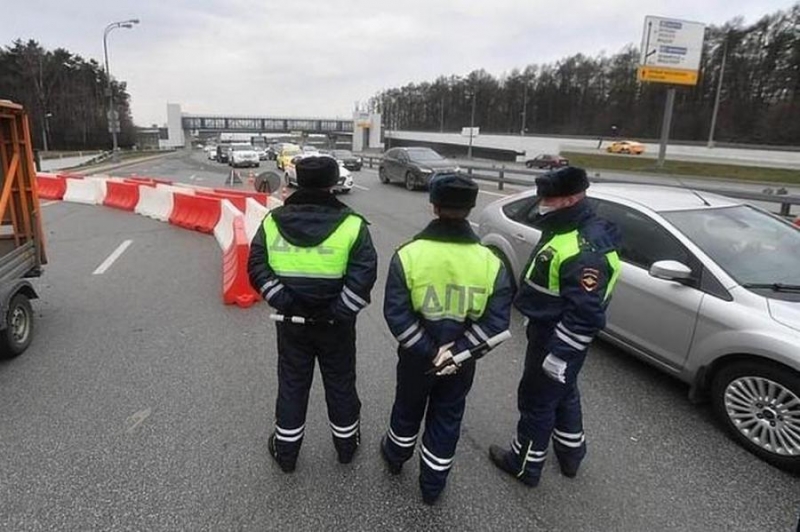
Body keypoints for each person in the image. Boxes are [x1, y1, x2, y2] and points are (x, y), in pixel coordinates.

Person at [381, 174, 512, 505]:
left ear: (434, 206)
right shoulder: (490, 262)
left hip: (416, 357)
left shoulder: (408, 254)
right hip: (461, 361)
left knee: (407, 407)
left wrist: (429, 352)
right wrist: (457, 354)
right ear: (470, 207)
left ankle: (395, 457)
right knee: (447, 416)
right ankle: (432, 485)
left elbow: (396, 314)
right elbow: (496, 323)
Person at [489, 166, 621, 487]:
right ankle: (571, 454)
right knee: (564, 394)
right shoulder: (566, 226)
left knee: (537, 399)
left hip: (557, 337)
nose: (543, 204)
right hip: (548, 328)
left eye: (550, 198)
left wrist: (560, 354)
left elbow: (585, 314)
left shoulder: (583, 249)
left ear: (573, 198)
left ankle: (524, 464)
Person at [248, 156, 378, 472]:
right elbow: (363, 277)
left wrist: (286, 302)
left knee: (292, 385)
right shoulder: (352, 225)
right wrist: (336, 313)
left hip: (291, 325)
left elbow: (257, 268)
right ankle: (346, 448)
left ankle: (287, 454)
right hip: (336, 327)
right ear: (333, 183)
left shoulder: (272, 221)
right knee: (341, 383)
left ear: (295, 181)